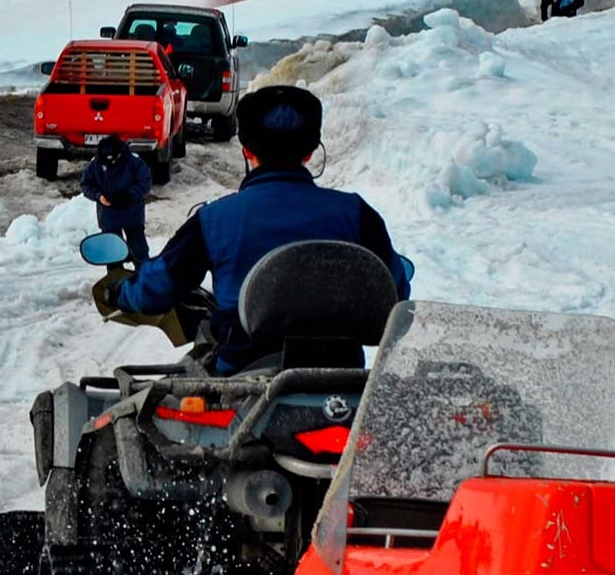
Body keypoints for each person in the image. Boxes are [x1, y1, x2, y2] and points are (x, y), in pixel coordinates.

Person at [103, 85, 409, 374]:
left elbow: (157, 289)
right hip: (341, 381)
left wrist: (121, 293)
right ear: (310, 152)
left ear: (246, 150)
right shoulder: (356, 214)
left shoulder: (214, 220)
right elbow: (395, 292)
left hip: (245, 380)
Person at [80, 135, 152, 264]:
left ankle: (143, 276)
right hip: (109, 216)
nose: (111, 163)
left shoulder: (134, 162)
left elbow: (145, 182)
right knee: (112, 254)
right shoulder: (95, 164)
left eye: (114, 159)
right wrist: (99, 196)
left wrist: (129, 195)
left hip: (132, 214)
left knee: (139, 251)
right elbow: (86, 184)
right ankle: (115, 279)